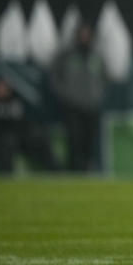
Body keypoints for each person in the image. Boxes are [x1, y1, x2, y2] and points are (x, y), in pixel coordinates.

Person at [49, 21, 109, 173]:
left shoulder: (97, 56)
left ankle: (87, 168)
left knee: (89, 139)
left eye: (87, 34)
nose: (85, 37)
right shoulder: (66, 55)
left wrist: (97, 95)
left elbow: (104, 78)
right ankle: (73, 169)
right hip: (71, 105)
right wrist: (65, 95)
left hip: (92, 105)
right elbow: (55, 78)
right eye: (82, 34)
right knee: (74, 138)